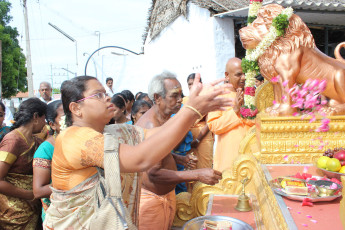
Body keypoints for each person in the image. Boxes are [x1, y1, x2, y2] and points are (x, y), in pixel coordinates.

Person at [43, 75, 231, 229]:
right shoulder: (74, 138)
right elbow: (141, 159)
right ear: (76, 108)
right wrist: (191, 110)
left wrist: (196, 109)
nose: (107, 97)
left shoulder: (113, 131)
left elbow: (157, 135)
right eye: (98, 95)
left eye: (105, 93)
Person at [136, 72, 223, 230]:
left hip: (163, 197)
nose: (179, 100)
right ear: (157, 98)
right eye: (174, 96)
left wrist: (177, 158)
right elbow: (153, 173)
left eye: (181, 95)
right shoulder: (150, 126)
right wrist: (197, 174)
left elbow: (155, 154)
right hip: (151, 203)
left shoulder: (165, 119)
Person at [0, 98, 47, 229]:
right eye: (44, 118)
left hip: (32, 209)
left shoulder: (37, 141)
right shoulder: (13, 140)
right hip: (13, 212)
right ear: (36, 116)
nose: (45, 124)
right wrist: (29, 195)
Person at [207, 57, 255, 172]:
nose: (243, 78)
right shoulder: (219, 96)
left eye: (245, 74)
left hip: (251, 157)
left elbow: (256, 123)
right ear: (227, 75)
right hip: (229, 160)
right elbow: (214, 126)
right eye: (238, 74)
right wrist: (235, 110)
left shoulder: (251, 95)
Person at [33, 100, 64, 223]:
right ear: (52, 124)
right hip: (58, 217)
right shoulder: (46, 150)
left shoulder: (79, 143)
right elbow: (38, 191)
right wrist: (71, 182)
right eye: (65, 117)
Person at [183, 73, 214, 169]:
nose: (192, 86)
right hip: (188, 138)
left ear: (200, 84)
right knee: (190, 166)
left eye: (194, 83)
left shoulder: (206, 99)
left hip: (203, 137)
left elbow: (210, 122)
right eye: (189, 84)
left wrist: (198, 139)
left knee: (205, 166)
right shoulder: (184, 101)